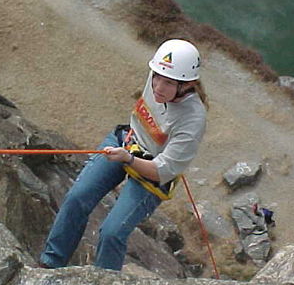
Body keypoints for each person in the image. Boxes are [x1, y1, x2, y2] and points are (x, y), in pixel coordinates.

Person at [39, 39, 208, 271]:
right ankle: (50, 263)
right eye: (156, 76)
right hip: (127, 142)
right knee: (76, 198)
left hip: (151, 171)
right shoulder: (160, 80)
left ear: (187, 84)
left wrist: (127, 159)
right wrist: (126, 152)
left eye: (168, 83)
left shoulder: (192, 120)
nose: (157, 87)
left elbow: (160, 172)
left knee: (112, 232)